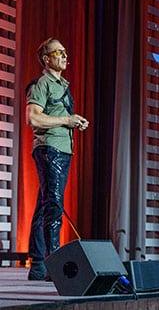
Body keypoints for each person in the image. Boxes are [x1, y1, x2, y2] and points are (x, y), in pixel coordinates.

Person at [26, 38, 89, 280]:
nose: (64, 55)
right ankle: (54, 265)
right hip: (49, 149)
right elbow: (33, 118)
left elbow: (60, 115)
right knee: (53, 206)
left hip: (62, 149)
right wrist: (66, 120)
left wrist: (75, 121)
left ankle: (39, 264)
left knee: (46, 205)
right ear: (46, 59)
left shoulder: (62, 84)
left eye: (64, 51)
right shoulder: (42, 84)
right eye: (58, 52)